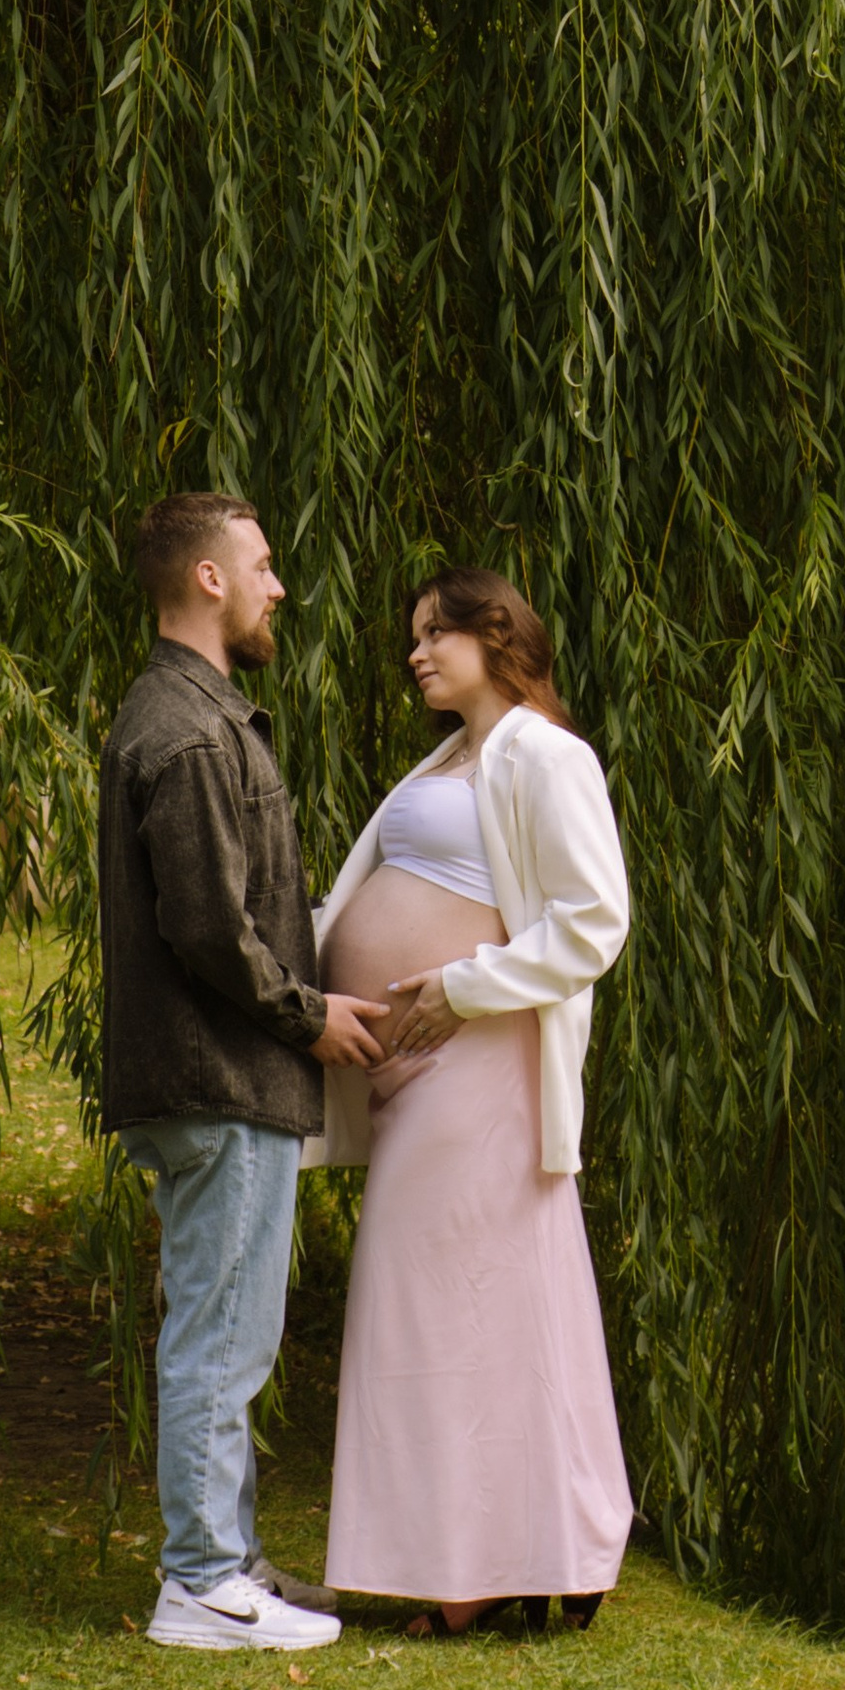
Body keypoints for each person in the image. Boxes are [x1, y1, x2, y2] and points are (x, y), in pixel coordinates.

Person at [98, 492, 389, 1649]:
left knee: (228, 1328)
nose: (278, 586)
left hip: (213, 1078)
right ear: (208, 580)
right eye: (261, 566)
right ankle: (201, 1584)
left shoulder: (192, 716)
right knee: (221, 1335)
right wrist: (306, 1017)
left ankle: (233, 1563)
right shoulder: (187, 733)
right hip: (218, 1076)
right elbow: (209, 926)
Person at [317, 567, 633, 1633]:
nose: (414, 653)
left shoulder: (546, 755)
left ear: (494, 636)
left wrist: (461, 987)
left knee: (456, 1305)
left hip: (482, 1062)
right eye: (411, 635)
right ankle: (503, 1555)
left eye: (434, 634)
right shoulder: (452, 755)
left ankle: (483, 1570)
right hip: (416, 1072)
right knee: (448, 1305)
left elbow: (593, 921)